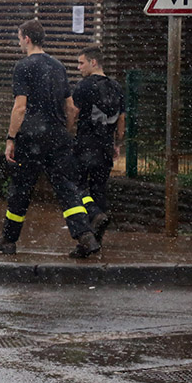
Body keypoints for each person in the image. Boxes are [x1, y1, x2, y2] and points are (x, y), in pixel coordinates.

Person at [0, 19, 100, 259]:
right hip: (58, 138)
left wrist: (10, 138)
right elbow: (71, 108)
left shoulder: (23, 66)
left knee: (20, 189)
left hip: (30, 138)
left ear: (26, 39)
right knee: (66, 189)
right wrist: (63, 130)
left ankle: (9, 240)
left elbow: (20, 107)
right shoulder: (58, 66)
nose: (19, 42)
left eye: (19, 38)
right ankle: (85, 236)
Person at [73, 45, 125, 242]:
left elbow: (73, 113)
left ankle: (94, 214)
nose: (79, 68)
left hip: (86, 145)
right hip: (105, 147)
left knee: (77, 187)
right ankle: (98, 237)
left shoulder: (84, 86)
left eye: (81, 63)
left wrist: (67, 134)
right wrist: (117, 144)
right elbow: (121, 120)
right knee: (99, 188)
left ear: (93, 62)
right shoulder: (116, 87)